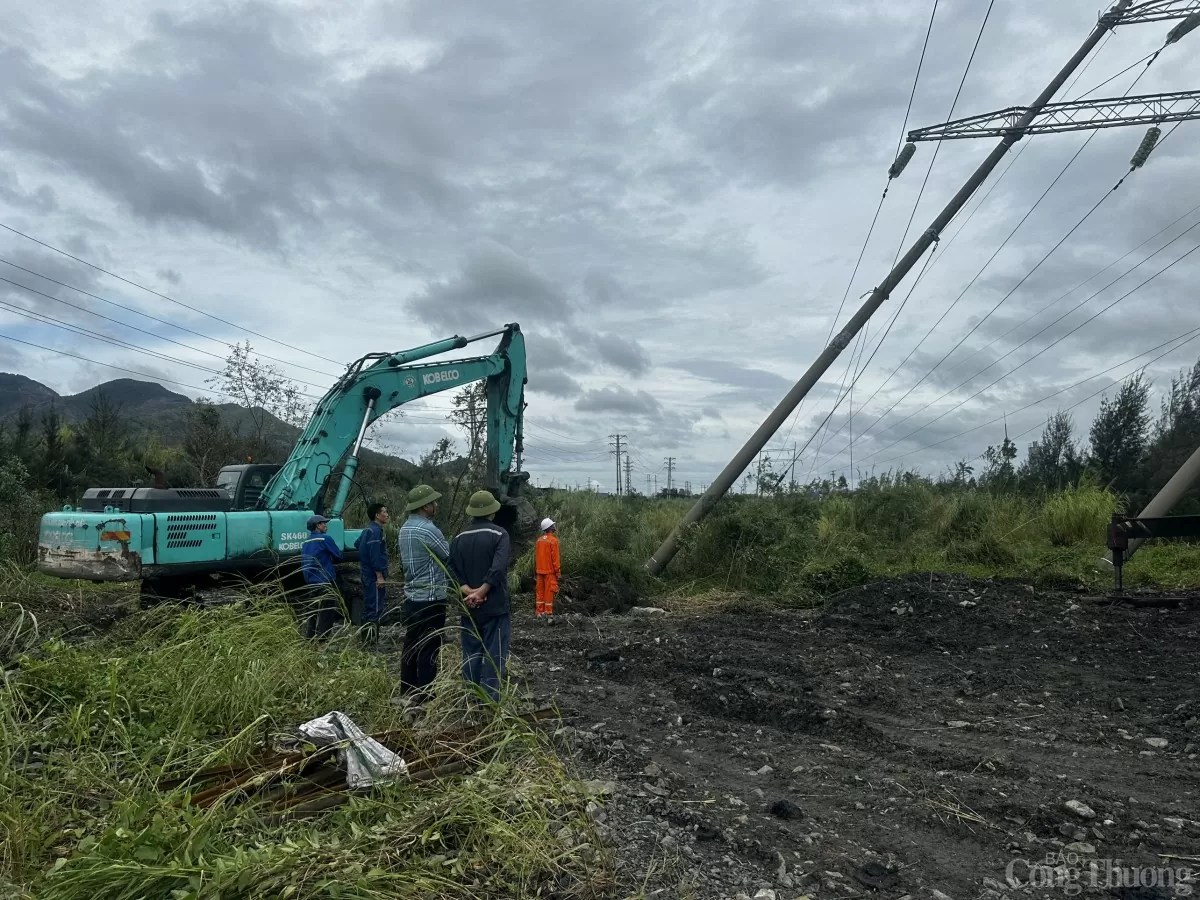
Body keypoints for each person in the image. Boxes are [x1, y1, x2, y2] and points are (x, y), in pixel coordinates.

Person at [448, 490, 512, 704]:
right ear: (492, 512)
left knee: (471, 653)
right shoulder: (500, 535)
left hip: (468, 606)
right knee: (495, 653)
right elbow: (498, 568)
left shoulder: (457, 539)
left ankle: (470, 698)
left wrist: (468, 591)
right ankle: (491, 701)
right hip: (495, 606)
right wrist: (482, 591)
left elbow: (451, 570)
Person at [397, 484, 451, 704]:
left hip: (412, 596)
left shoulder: (404, 529)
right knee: (429, 647)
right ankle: (425, 695)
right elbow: (447, 554)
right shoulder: (429, 529)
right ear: (426, 506)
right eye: (433, 502)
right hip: (431, 598)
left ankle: (406, 690)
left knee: (411, 643)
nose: (436, 505)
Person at [300, 513, 342, 639]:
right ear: (318, 526)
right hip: (325, 580)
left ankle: (310, 638)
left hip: (311, 582)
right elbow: (339, 556)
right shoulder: (325, 539)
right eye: (324, 523)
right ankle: (322, 640)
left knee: (313, 612)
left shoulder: (305, 543)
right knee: (327, 612)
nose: (326, 525)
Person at [355, 502, 390, 644]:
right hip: (373, 576)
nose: (387, 515)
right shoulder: (375, 532)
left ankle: (366, 640)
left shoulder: (367, 531)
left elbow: (357, 544)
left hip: (366, 574)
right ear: (377, 515)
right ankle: (370, 643)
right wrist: (379, 575)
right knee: (374, 608)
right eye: (384, 512)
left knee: (369, 604)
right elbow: (375, 555)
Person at [534, 517, 561, 622]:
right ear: (550, 528)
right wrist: (558, 572)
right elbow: (556, 559)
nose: (554, 526)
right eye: (553, 525)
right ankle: (548, 613)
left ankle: (539, 612)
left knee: (539, 592)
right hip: (550, 572)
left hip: (540, 571)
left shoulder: (539, 540)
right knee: (549, 592)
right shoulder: (553, 541)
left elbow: (536, 557)